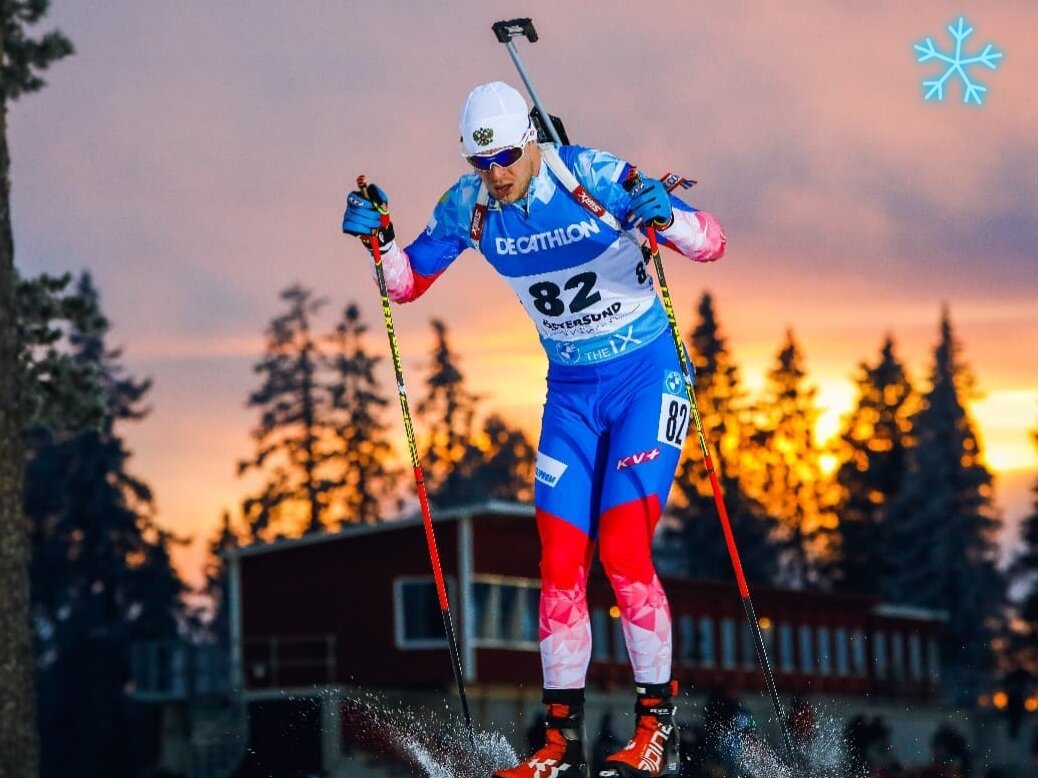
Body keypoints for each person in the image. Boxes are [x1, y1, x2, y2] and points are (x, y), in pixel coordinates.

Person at [342, 81, 726, 778]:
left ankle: (653, 732)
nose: (496, 174)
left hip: (647, 378)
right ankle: (558, 745)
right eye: (480, 162)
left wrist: (664, 216)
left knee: (624, 550)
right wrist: (381, 239)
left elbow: (711, 243)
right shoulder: (471, 206)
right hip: (573, 394)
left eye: (507, 157)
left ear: (532, 138)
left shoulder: (591, 176)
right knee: (557, 565)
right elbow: (405, 283)